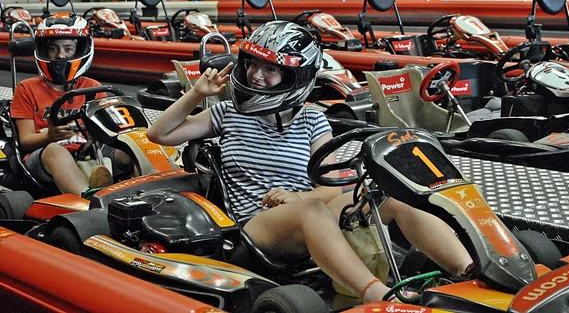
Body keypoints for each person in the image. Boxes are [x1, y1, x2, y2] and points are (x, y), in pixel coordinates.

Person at [148, 21, 473, 303]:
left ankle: (470, 270)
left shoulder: (312, 121)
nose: (256, 76)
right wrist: (197, 93)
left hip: (306, 210)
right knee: (312, 211)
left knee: (388, 193)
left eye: (271, 69)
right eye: (253, 65)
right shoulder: (228, 114)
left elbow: (333, 182)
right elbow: (159, 134)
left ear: (295, 76)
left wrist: (300, 197)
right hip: (254, 224)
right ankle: (376, 294)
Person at [10, 13, 128, 197]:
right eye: (53, 48)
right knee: (56, 152)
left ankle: (157, 190)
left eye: (68, 48)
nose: (60, 55)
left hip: (89, 151)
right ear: (43, 51)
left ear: (80, 50)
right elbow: (25, 141)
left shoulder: (93, 87)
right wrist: (50, 136)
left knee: (130, 145)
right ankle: (91, 201)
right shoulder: (26, 89)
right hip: (43, 158)